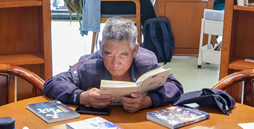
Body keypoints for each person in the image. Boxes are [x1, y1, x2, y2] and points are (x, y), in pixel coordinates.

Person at [43, 17, 183, 112]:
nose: (115, 64)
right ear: (101, 47)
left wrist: (149, 101)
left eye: (123, 55)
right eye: (108, 54)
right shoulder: (89, 66)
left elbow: (175, 86)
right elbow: (51, 83)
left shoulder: (146, 63)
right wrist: (80, 96)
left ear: (135, 50)